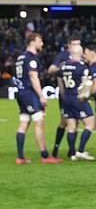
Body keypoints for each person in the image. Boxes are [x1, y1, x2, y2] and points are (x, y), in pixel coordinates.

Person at [13, 31, 63, 165]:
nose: (42, 44)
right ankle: (45, 156)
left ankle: (20, 157)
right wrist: (41, 96)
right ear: (32, 42)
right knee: (39, 121)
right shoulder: (31, 58)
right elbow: (33, 76)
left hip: (20, 93)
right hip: (29, 93)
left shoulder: (20, 57)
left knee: (24, 122)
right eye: (40, 41)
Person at [59, 44, 96, 161]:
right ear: (80, 54)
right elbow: (85, 84)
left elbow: (60, 81)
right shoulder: (82, 68)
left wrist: (63, 94)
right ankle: (80, 150)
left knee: (71, 126)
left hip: (66, 97)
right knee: (90, 124)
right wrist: (88, 97)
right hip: (78, 98)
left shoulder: (63, 66)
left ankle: (72, 153)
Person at [47, 35, 82, 159]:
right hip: (66, 95)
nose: (77, 46)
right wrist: (61, 67)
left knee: (75, 122)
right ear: (69, 46)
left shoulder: (80, 56)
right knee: (65, 121)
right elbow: (51, 70)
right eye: (74, 44)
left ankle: (71, 151)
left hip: (78, 96)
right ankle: (56, 148)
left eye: (78, 43)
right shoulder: (63, 56)